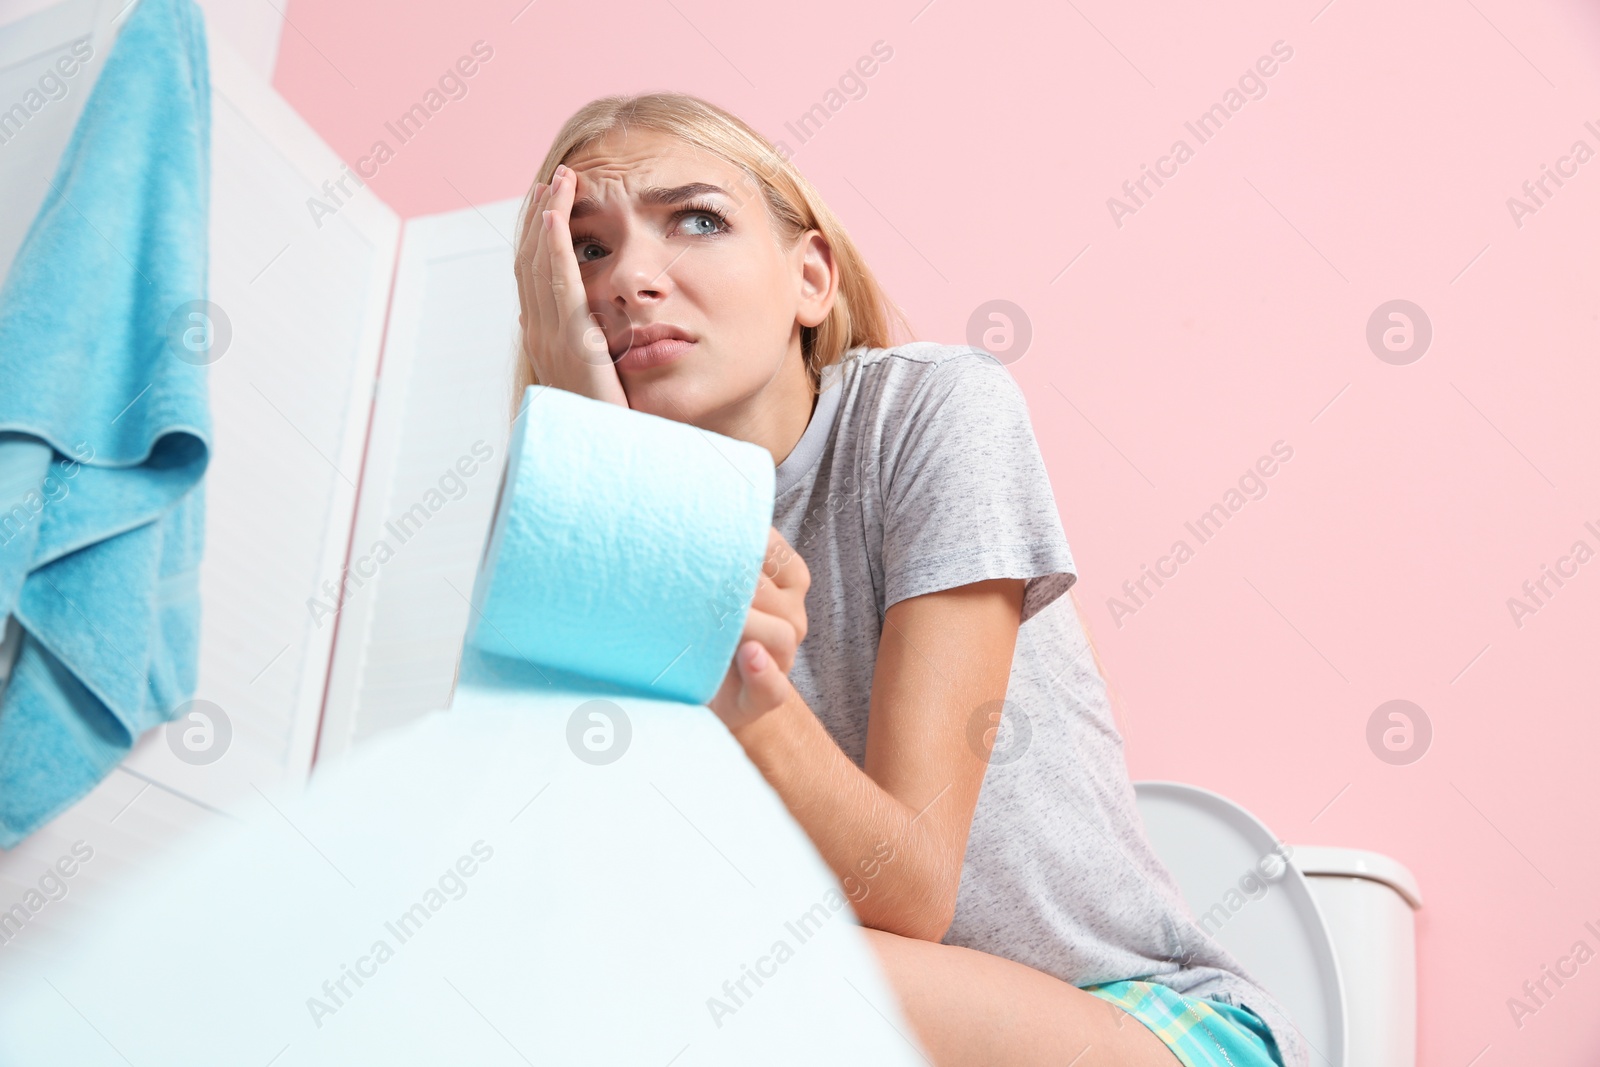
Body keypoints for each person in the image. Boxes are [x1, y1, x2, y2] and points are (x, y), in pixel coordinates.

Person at [510, 90, 1308, 1067]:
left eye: (698, 219)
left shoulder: (932, 411)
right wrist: (601, 461)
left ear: (810, 277)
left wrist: (725, 665)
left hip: (1142, 1020)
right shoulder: (599, 543)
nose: (630, 277)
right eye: (585, 248)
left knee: (704, 975)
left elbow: (909, 890)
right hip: (842, 1030)